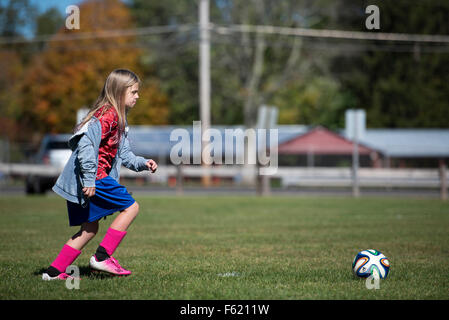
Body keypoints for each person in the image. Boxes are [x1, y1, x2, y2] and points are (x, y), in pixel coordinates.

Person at [42, 69, 157, 280]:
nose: (137, 96)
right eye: (134, 92)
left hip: (89, 178)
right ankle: (102, 258)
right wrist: (88, 180)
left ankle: (53, 273)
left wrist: (143, 163)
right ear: (119, 92)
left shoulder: (118, 119)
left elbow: (124, 155)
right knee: (131, 207)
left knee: (89, 229)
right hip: (93, 178)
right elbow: (86, 147)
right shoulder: (107, 116)